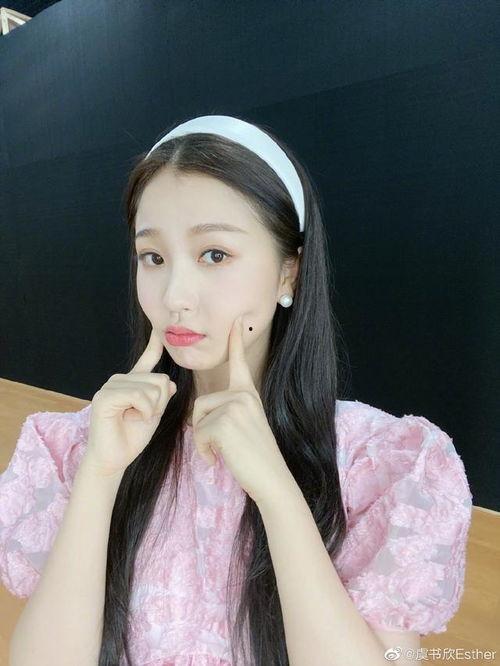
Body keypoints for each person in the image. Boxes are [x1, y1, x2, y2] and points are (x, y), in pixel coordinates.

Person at [1, 115, 473, 666]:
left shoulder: (379, 463)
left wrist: (276, 490)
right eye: (153, 257)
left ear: (289, 272)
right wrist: (100, 476)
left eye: (214, 255)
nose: (175, 296)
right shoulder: (79, 447)